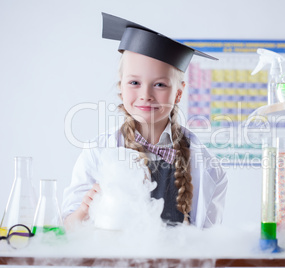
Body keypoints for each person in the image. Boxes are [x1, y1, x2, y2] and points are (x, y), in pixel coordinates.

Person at [61, 13, 228, 229]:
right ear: (121, 87)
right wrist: (85, 210)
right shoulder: (97, 152)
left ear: (178, 93)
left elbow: (209, 241)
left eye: (159, 84)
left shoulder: (209, 166)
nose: (146, 95)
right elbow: (68, 228)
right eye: (134, 82)